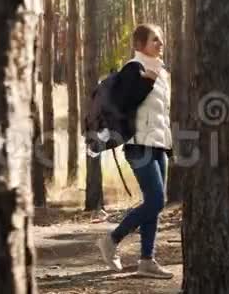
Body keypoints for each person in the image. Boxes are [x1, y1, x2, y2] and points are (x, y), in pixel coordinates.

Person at [97, 23, 173, 279]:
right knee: (156, 201)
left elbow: (162, 114)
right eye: (155, 40)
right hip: (138, 144)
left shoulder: (161, 72)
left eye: (161, 40)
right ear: (140, 44)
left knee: (154, 204)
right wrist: (147, 83)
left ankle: (147, 260)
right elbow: (126, 102)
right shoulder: (134, 68)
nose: (160, 44)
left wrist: (168, 144)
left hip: (158, 143)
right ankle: (112, 239)